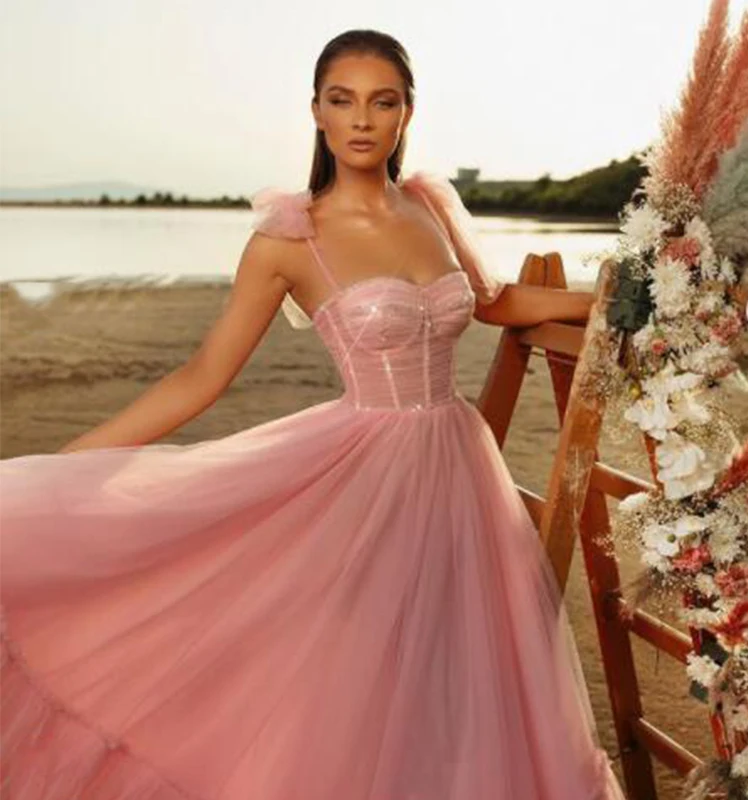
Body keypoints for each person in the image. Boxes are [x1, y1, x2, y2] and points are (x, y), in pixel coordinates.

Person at [0, 28, 627, 800]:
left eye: (381, 101)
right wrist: (69, 468)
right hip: (362, 477)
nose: (362, 119)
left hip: (462, 471)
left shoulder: (429, 203)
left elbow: (495, 300)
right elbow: (202, 375)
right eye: (343, 100)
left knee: (464, 673)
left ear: (405, 115)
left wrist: (615, 294)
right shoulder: (289, 238)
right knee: (351, 682)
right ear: (317, 114)